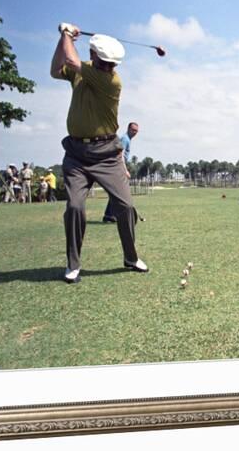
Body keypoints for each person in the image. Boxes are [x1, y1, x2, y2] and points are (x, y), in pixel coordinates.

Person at [50, 22, 148, 283]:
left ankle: (130, 256)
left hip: (107, 154)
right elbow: (55, 69)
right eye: (104, 62)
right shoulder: (82, 70)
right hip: (77, 155)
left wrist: (66, 34)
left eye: (112, 64)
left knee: (126, 206)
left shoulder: (111, 81)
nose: (109, 68)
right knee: (74, 207)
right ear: (93, 55)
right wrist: (64, 38)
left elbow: (70, 57)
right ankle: (73, 264)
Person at [103, 122, 139, 223]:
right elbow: (120, 155)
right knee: (117, 192)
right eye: (133, 130)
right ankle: (110, 215)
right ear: (128, 129)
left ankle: (110, 215)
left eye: (136, 131)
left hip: (118, 167)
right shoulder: (125, 139)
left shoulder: (128, 139)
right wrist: (125, 170)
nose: (135, 132)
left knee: (116, 192)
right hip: (117, 167)